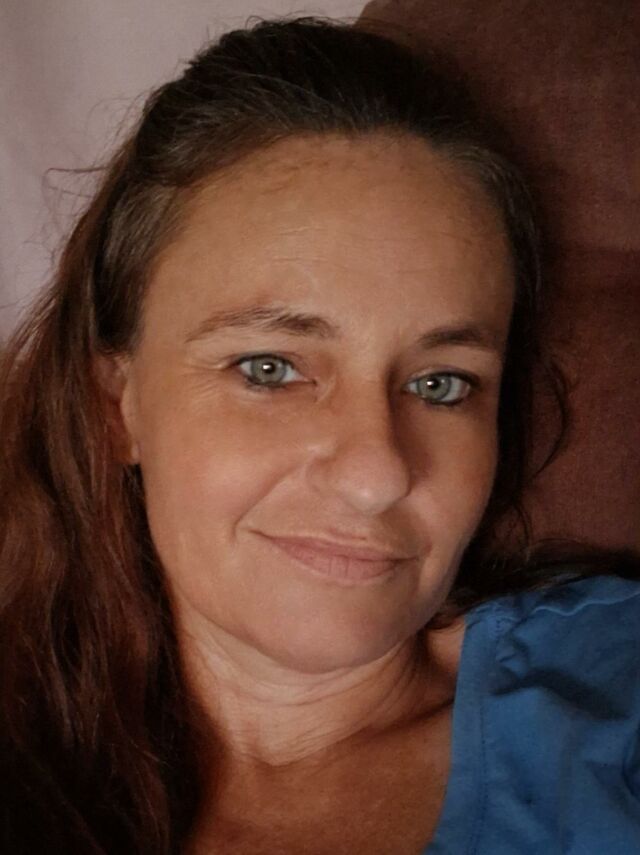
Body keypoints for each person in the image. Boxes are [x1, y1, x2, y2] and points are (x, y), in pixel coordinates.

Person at [0, 16, 638, 855]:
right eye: (269, 368)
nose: (377, 472)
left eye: (440, 384)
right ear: (115, 405)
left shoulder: (611, 706)